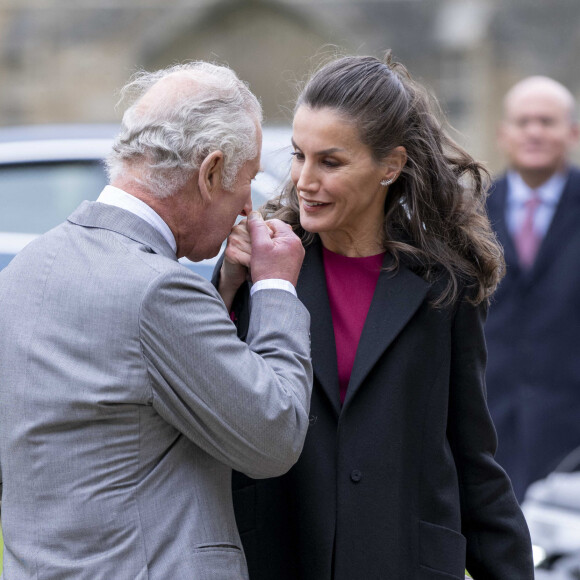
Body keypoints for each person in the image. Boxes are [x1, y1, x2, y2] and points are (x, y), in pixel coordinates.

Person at [214, 54, 534, 579]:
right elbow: (211, 396)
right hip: (280, 555)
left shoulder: (445, 286)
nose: (303, 180)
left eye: (331, 162)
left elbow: (472, 454)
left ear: (391, 165)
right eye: (298, 155)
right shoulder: (262, 266)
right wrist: (227, 283)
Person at [0, 62, 313, 579]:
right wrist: (275, 287)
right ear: (211, 172)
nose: (246, 207)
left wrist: (224, 289)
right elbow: (273, 436)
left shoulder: (25, 269)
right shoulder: (158, 291)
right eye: (249, 180)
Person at [485, 76, 580, 501]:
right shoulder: (469, 213)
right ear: (504, 134)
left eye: (547, 121)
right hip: (490, 428)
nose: (535, 131)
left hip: (570, 431)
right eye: (523, 122)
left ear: (573, 132)